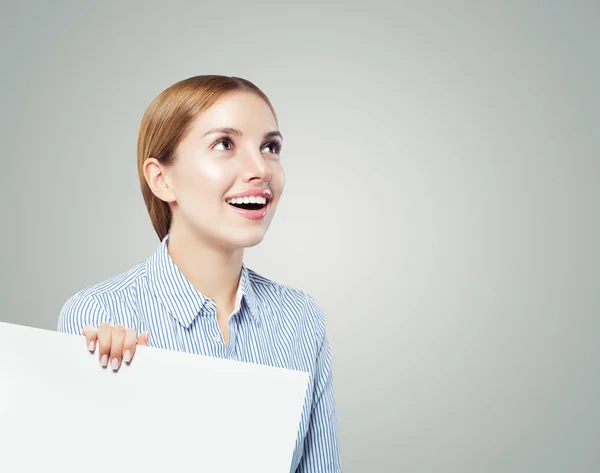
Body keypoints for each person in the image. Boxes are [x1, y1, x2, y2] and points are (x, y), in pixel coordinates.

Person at [57, 75, 342, 473]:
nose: (261, 168)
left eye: (270, 147)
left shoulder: (300, 318)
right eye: (224, 144)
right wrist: (110, 389)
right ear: (162, 179)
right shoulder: (99, 315)